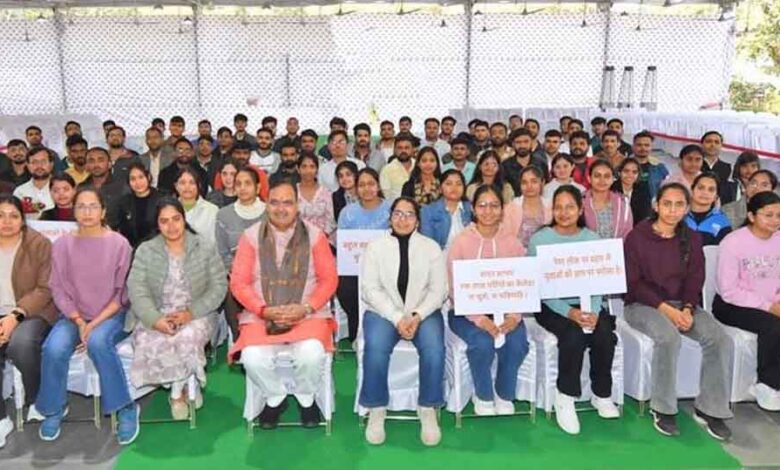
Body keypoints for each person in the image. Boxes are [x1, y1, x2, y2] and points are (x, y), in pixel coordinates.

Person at [623, 183, 733, 440]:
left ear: (686, 208)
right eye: (667, 204)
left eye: (679, 205)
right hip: (643, 305)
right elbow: (634, 283)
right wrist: (667, 311)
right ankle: (663, 408)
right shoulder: (637, 237)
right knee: (668, 338)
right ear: (656, 205)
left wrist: (687, 308)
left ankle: (710, 408)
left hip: (682, 304)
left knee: (719, 339)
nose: (672, 210)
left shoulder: (692, 238)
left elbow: (695, 278)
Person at [229, 181, 338, 429]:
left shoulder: (315, 236)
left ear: (297, 206)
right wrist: (263, 310)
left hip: (307, 314)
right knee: (251, 357)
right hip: (262, 315)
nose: (281, 209)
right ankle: (275, 396)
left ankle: (306, 397)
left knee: (311, 354)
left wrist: (306, 307)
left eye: (287, 203)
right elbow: (239, 283)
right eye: (275, 202)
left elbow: (329, 279)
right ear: (266, 205)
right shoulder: (250, 237)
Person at [38, 188, 138, 445]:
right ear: (74, 212)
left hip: (111, 315)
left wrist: (93, 325)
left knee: (98, 342)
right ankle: (54, 407)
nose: (87, 212)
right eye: (81, 206)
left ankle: (125, 407)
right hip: (74, 316)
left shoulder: (119, 244)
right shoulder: (62, 245)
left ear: (103, 211)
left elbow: (122, 294)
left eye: (93, 206)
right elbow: (58, 288)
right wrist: (80, 321)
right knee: (53, 347)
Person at [528, 185, 620, 435]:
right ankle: (565, 396)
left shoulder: (592, 239)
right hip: (551, 305)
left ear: (580, 209)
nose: (564, 212)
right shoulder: (539, 240)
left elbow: (600, 280)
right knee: (573, 335)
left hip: (590, 303)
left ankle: (601, 393)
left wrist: (593, 311)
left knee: (604, 334)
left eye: (570, 207)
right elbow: (540, 287)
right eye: (558, 207)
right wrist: (569, 312)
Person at [127, 198, 227, 420]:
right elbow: (136, 289)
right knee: (150, 339)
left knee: (186, 337)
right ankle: (187, 385)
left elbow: (219, 286)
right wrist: (156, 319)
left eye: (176, 219)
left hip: (197, 314)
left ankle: (176, 394)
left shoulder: (204, 247)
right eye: (164, 221)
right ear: (157, 224)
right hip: (157, 313)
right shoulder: (146, 250)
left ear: (184, 219)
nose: (171, 226)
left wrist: (190, 313)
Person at [360, 197, 447, 446]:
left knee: (434, 348)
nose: (403, 219)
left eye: (409, 214)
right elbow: (370, 289)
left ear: (417, 220)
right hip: (383, 312)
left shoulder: (431, 248)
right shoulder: (375, 247)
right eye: (398, 213)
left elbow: (439, 290)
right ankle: (376, 408)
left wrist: (417, 316)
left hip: (423, 313)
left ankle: (428, 407)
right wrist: (398, 317)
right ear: (390, 218)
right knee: (375, 347)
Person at [447, 185, 529, 416]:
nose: (488, 211)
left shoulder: (512, 243)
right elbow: (454, 287)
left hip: (507, 310)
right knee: (482, 342)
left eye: (494, 205)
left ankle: (504, 393)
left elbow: (523, 283)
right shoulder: (461, 242)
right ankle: (483, 394)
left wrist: (514, 316)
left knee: (517, 343)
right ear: (473, 209)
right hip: (465, 313)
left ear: (502, 210)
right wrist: (479, 319)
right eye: (482, 205)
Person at [713, 192, 780, 411]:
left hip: (772, 302)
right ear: (751, 216)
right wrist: (768, 306)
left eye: (779, 215)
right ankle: (767, 385)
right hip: (732, 305)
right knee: (773, 326)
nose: (775, 220)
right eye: (768, 215)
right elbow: (728, 290)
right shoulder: (733, 242)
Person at [0, 195, 56, 448]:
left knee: (21, 344)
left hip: (32, 312)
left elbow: (45, 288)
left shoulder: (38, 244)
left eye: (13, 216)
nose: (6, 222)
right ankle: (2, 419)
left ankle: (38, 398)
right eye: (1, 216)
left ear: (23, 220)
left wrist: (15, 316)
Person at [337, 168, 392, 342]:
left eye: (371, 184)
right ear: (356, 188)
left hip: (386, 266)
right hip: (355, 267)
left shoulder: (391, 208)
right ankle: (356, 331)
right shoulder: (347, 213)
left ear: (378, 186)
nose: (367, 189)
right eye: (361, 185)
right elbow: (344, 245)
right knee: (346, 290)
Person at [215, 168, 267, 337]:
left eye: (248, 183)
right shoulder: (223, 215)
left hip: (267, 273)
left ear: (258, 188)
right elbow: (222, 252)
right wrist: (238, 272)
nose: (243, 188)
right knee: (230, 289)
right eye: (238, 184)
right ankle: (239, 339)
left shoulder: (271, 213)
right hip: (236, 273)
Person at [111, 162, 162, 248]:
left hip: (157, 248)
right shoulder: (124, 202)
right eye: (133, 179)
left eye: (141, 177)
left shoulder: (161, 199)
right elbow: (119, 227)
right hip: (131, 248)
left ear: (148, 177)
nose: (138, 182)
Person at [420, 169, 473, 251]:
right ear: (440, 188)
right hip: (440, 255)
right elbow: (428, 244)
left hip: (468, 255)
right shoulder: (428, 211)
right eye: (449, 184)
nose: (454, 188)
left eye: (459, 184)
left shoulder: (471, 208)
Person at [583, 160, 633, 240]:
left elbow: (628, 234)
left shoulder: (623, 203)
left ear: (612, 179)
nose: (602, 180)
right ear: (589, 178)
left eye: (607, 176)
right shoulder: (579, 202)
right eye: (597, 176)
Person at [503, 166, 552, 247]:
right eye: (524, 182)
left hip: (545, 251)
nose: (529, 186)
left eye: (534, 181)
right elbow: (506, 237)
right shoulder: (510, 208)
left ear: (542, 182)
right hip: (517, 252)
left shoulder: (550, 206)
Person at [174, 168, 219, 248]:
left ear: (199, 185)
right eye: (182, 183)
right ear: (176, 186)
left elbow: (215, 243)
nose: (187, 187)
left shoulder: (212, 210)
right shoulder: (168, 210)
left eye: (192, 183)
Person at [297, 154, 336, 242]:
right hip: (297, 241)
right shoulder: (291, 192)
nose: (308, 171)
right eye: (304, 166)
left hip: (323, 240)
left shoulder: (326, 192)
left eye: (312, 167)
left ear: (317, 170)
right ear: (298, 169)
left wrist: (319, 237)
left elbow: (331, 220)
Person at [684, 173, 731, 246]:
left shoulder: (723, 222)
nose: (705, 192)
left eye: (711, 190)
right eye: (701, 188)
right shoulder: (679, 215)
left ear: (716, 197)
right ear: (692, 191)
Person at [502, 128, 549, 196]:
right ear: (513, 144)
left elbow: (545, 186)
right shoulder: (505, 166)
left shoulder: (541, 163)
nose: (522, 146)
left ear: (531, 143)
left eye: (526, 141)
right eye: (518, 142)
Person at [13, 147, 55, 219]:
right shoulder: (20, 191)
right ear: (27, 165)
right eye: (34, 162)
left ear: (51, 164)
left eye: (43, 162)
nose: (39, 166)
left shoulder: (61, 189)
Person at [612, 157, 652, 227]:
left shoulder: (643, 189)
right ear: (619, 172)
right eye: (626, 171)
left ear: (638, 174)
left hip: (637, 228)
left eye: (634, 172)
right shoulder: (612, 188)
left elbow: (645, 214)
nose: (630, 175)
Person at [632, 131, 669, 199]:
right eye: (639, 145)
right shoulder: (623, 165)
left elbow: (667, 189)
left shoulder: (660, 168)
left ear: (651, 147)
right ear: (633, 146)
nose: (643, 148)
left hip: (653, 204)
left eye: (647, 145)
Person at [379, 135, 416, 201]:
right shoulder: (386, 170)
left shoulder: (419, 166)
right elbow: (386, 197)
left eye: (407, 148)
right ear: (394, 150)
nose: (403, 151)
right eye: (400, 148)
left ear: (413, 149)